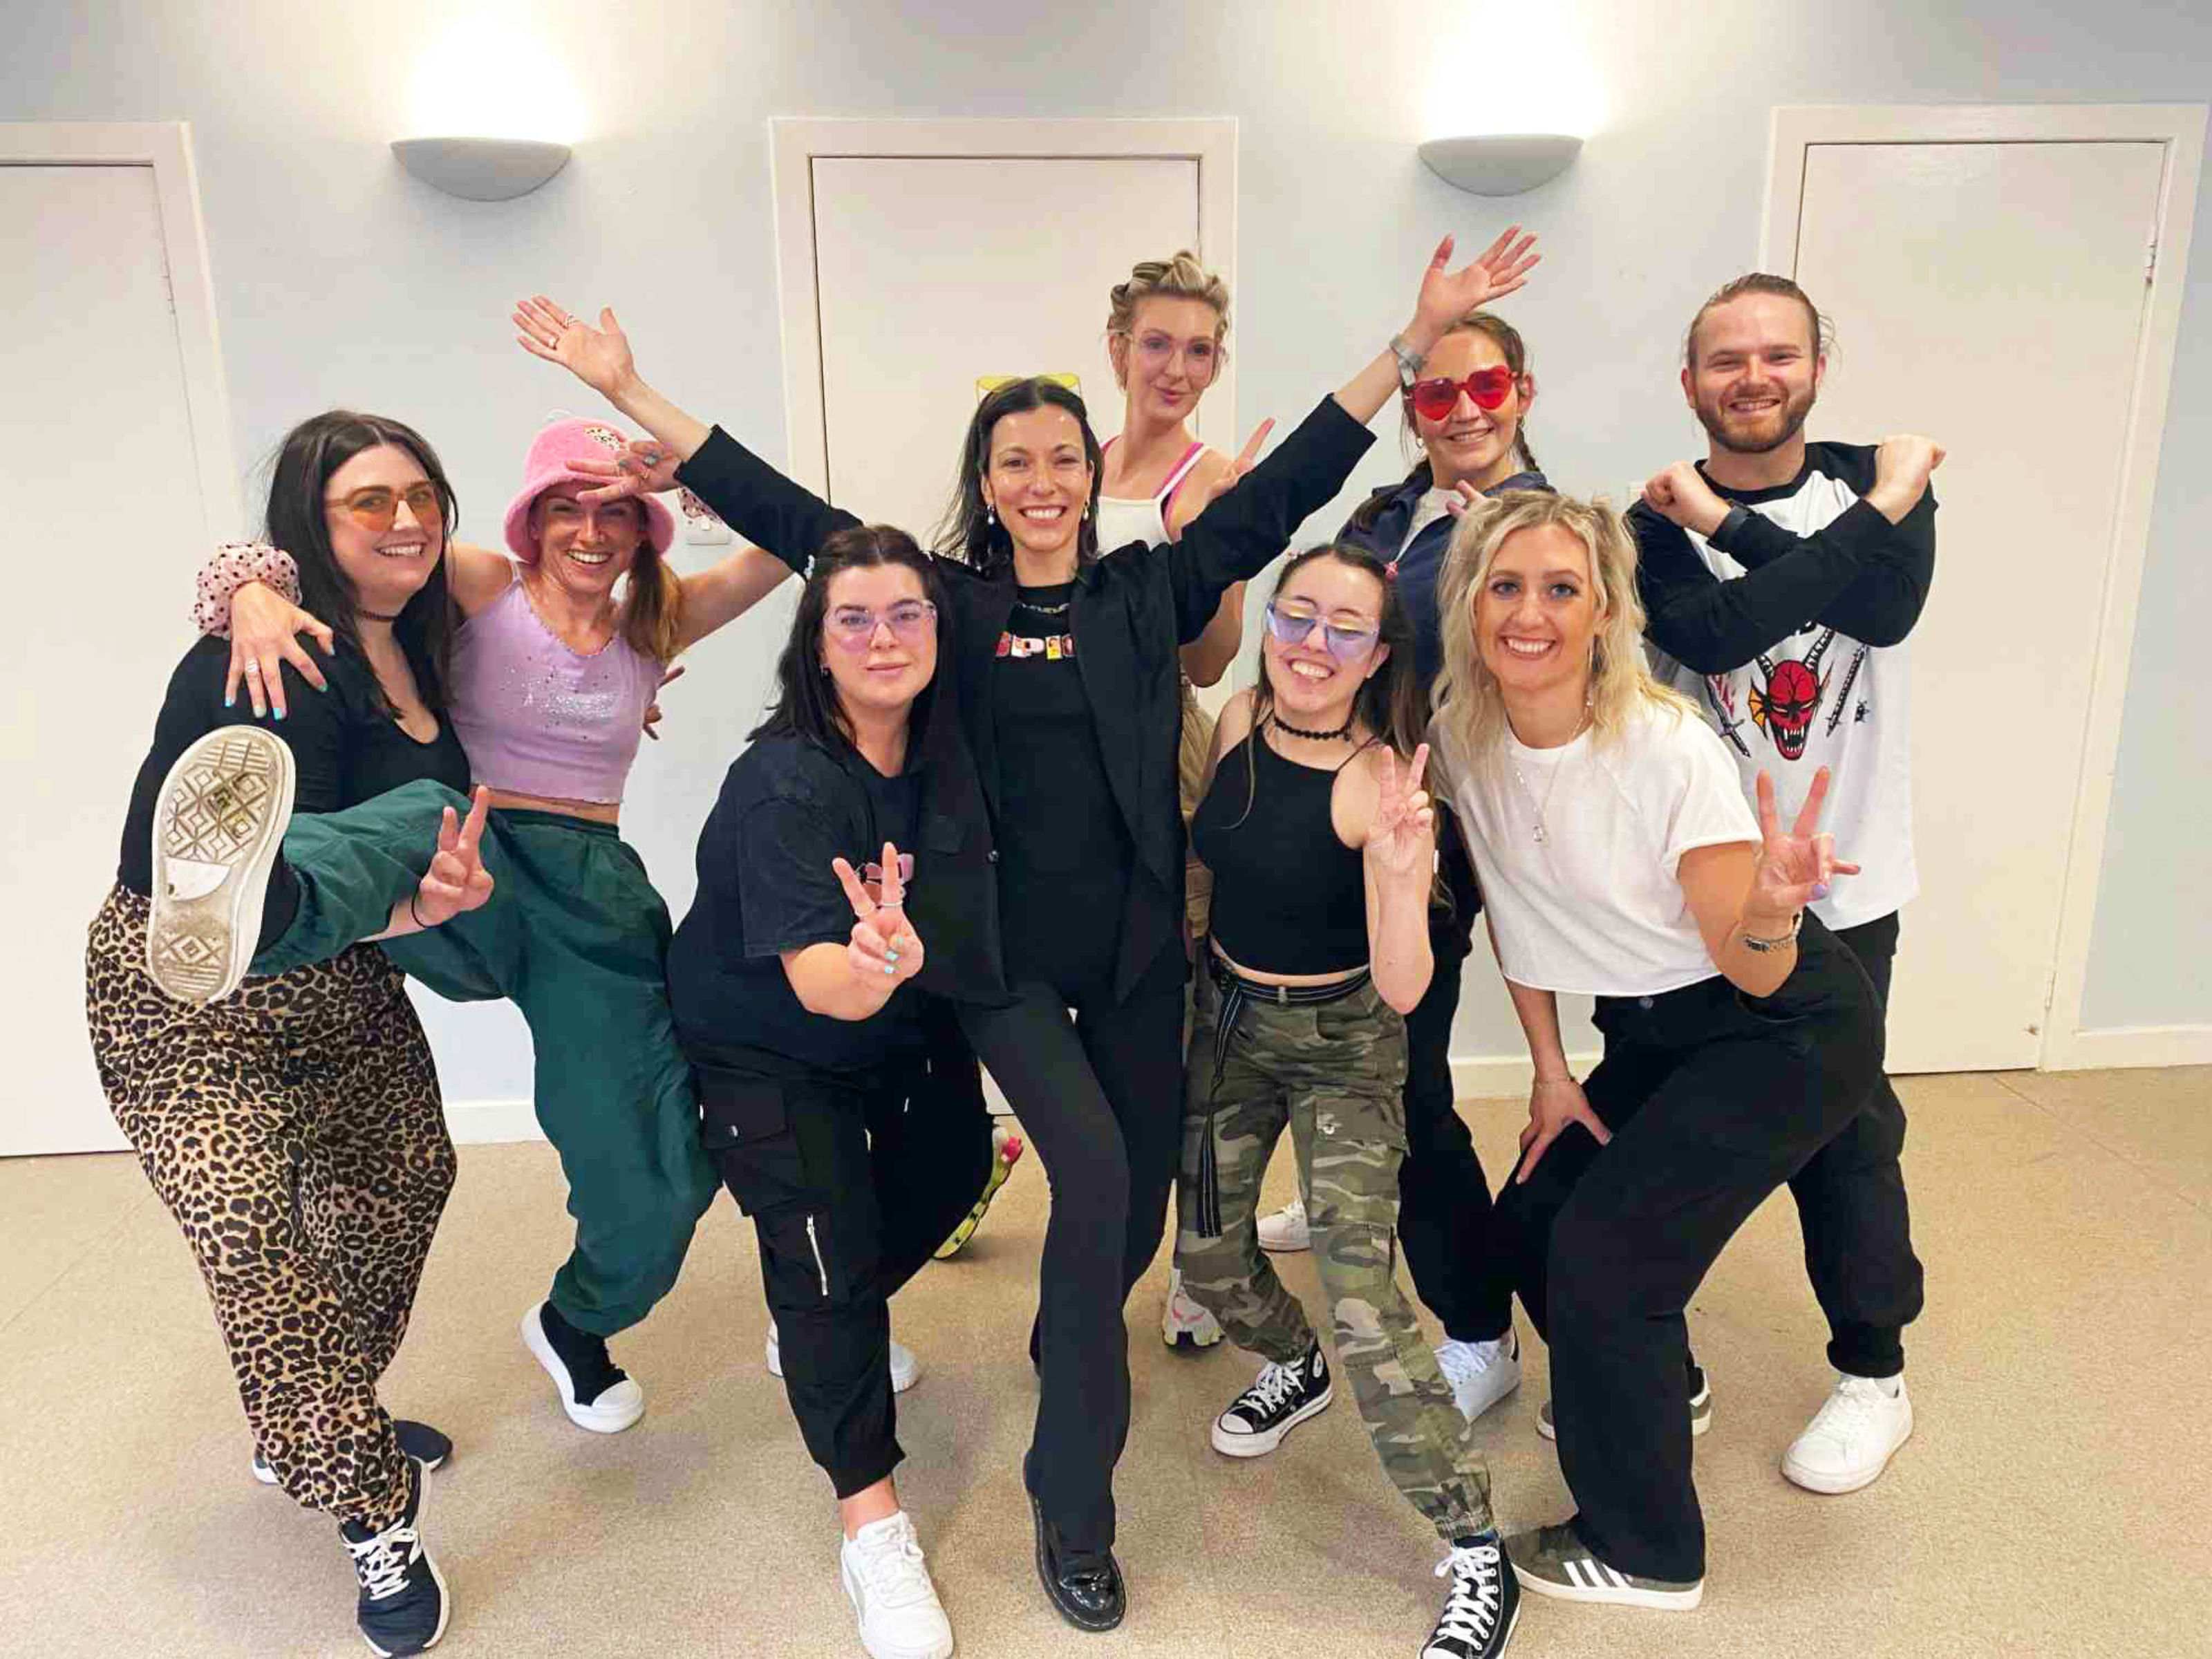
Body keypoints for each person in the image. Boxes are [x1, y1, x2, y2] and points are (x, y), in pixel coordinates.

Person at [512, 223, 1539, 1631]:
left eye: (1063, 456)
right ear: (985, 483)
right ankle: (1074, 1504)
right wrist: (630, 391)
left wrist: (1413, 343)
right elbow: (790, 513)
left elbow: (1290, 485)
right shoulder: (943, 602)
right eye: (1014, 461)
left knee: (1124, 1223)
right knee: (1099, 1187)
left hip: (1133, 961)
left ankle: (1074, 1345)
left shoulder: (1144, 592)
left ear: (1087, 471)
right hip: (996, 969)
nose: (1043, 479)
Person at [197, 416, 805, 1434]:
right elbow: (351, 548)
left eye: (616, 513)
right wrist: (253, 591)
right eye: (566, 509)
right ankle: (259, 903)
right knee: (410, 816)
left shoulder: (656, 624)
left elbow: (797, 537)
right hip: (462, 855)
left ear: (644, 529)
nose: (591, 532)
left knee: (660, 1165)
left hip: (592, 899)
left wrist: (690, 473)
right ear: (531, 520)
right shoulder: (484, 584)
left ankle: (576, 1324)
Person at [1423, 491, 1883, 1611]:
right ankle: (1663, 1387)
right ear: (1470, 604)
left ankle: (1646, 1550)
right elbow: (1518, 916)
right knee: (1536, 1218)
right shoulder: (1463, 740)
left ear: (1606, 611)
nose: (1530, 614)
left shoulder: (1663, 746)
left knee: (1608, 1256)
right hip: (1655, 1024)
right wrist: (1551, 1076)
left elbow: (1756, 970)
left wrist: (1771, 905)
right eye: (1505, 587)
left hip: (1780, 1023)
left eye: (1561, 589)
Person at [91, 411, 499, 1656]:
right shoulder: (265, 639)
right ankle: (373, 1507)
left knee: (406, 1181)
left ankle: (315, 1417)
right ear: (306, 528)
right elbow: (250, 576)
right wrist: (247, 592)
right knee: (250, 1236)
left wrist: (429, 905)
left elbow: (562, 574)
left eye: (422, 496)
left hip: (337, 970)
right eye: (369, 501)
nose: (406, 520)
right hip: (181, 996)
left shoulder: (427, 636)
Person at [1174, 543, 1519, 1659]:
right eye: (1297, 615)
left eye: (1345, 629)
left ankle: (1476, 1547)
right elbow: (1214, 862)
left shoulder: (1380, 784)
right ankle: (1294, 1359)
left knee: (1365, 1298)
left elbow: (1406, 988)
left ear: (1377, 656)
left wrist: (1405, 873)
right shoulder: (1238, 719)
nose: (1313, 645)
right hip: (1231, 1020)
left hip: (1342, 1044)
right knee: (1207, 1258)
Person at [1628, 272, 1938, 1494]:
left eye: (1778, 354)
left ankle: (1875, 1375)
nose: (1753, 377)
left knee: (1846, 1129)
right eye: (1726, 359)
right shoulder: (1652, 521)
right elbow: (1715, 637)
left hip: (1847, 883)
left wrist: (1734, 519)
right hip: (1698, 885)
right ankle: (1659, 1353)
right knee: (1654, 1111)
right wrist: (1714, 517)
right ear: (1689, 381)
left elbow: (1884, 612)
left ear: (1816, 366)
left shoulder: (1884, 477)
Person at [672, 525, 991, 1659]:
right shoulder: (785, 782)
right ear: (816, 644)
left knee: (956, 1165)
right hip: (769, 1043)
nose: (882, 637)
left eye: (906, 613)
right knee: (826, 1265)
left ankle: (819, 1318)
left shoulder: (947, 751)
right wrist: (872, 966)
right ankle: (872, 1525)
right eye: (852, 618)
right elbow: (820, 984)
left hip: (890, 1020)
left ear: (939, 631)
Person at [1257, 306, 1548, 1424]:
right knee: (1316, 1036)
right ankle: (1338, 1196)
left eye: (1486, 388)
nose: (1463, 411)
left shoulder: (1536, 535)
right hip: (1329, 812)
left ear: (1522, 392)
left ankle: (1478, 1328)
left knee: (1411, 1089)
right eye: (1437, 392)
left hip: (1429, 837)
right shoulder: (1387, 511)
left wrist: (1488, 569)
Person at [1093, 249, 1241, 1349]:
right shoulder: (1074, 461)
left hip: (1164, 756)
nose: (1176, 367)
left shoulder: (1212, 476)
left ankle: (1199, 1259)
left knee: (1188, 1020)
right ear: (1118, 350)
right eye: (1158, 343)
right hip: (1064, 769)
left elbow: (1209, 661)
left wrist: (1204, 553)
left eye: (1198, 350)